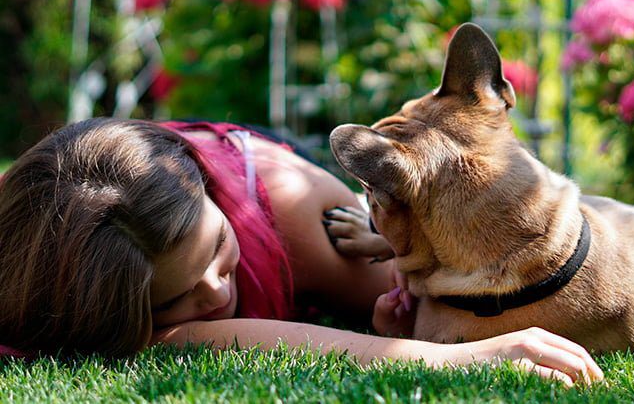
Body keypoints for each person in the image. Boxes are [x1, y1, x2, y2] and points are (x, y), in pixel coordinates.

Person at [0, 118, 602, 386]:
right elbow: (173, 343)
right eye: (174, 298)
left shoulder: (302, 218)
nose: (217, 291)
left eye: (217, 247)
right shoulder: (43, 253)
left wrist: (441, 343)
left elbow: (462, 295)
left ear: (211, 192)